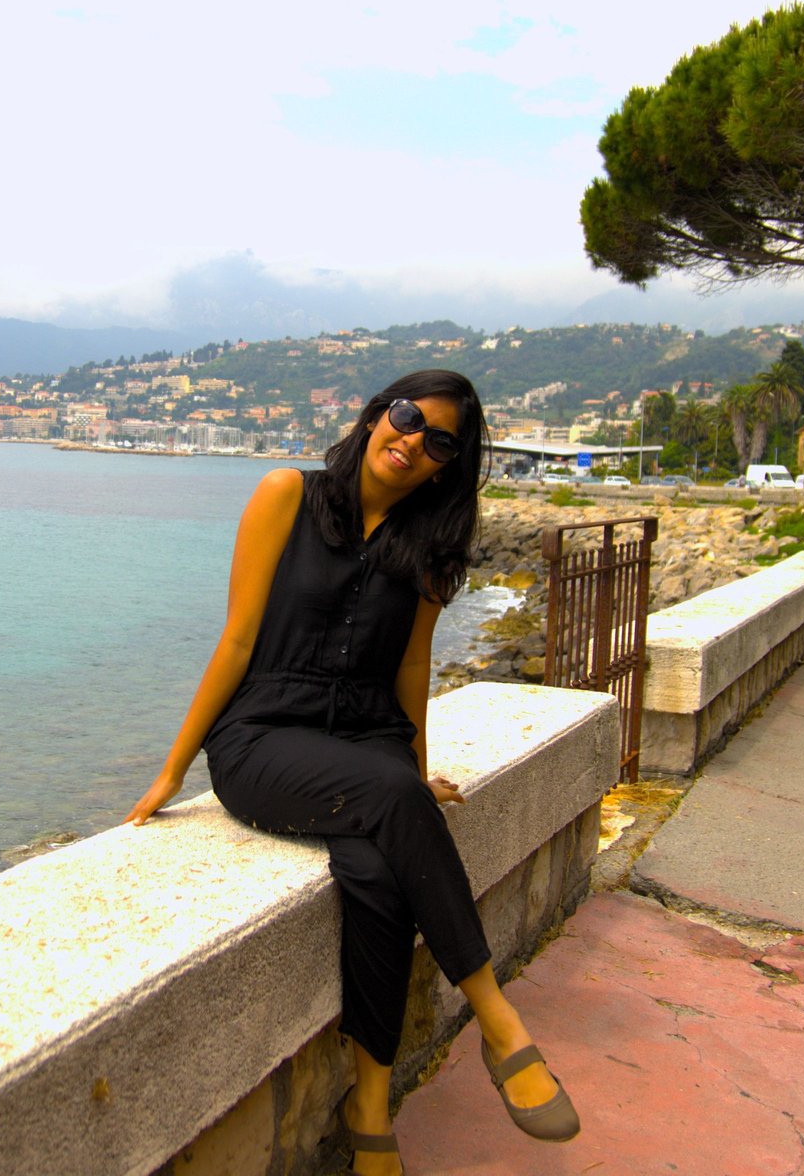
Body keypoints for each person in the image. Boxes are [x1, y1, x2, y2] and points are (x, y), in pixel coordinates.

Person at [124, 370, 578, 1175]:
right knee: (390, 804)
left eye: (440, 441)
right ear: (375, 417)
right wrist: (172, 770)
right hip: (265, 737)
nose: (414, 441)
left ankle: (369, 1105)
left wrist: (416, 774)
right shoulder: (284, 496)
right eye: (407, 417)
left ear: (448, 466)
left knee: (376, 874)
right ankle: (498, 1020)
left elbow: (412, 665)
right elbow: (237, 641)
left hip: (369, 739)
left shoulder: (430, 547)